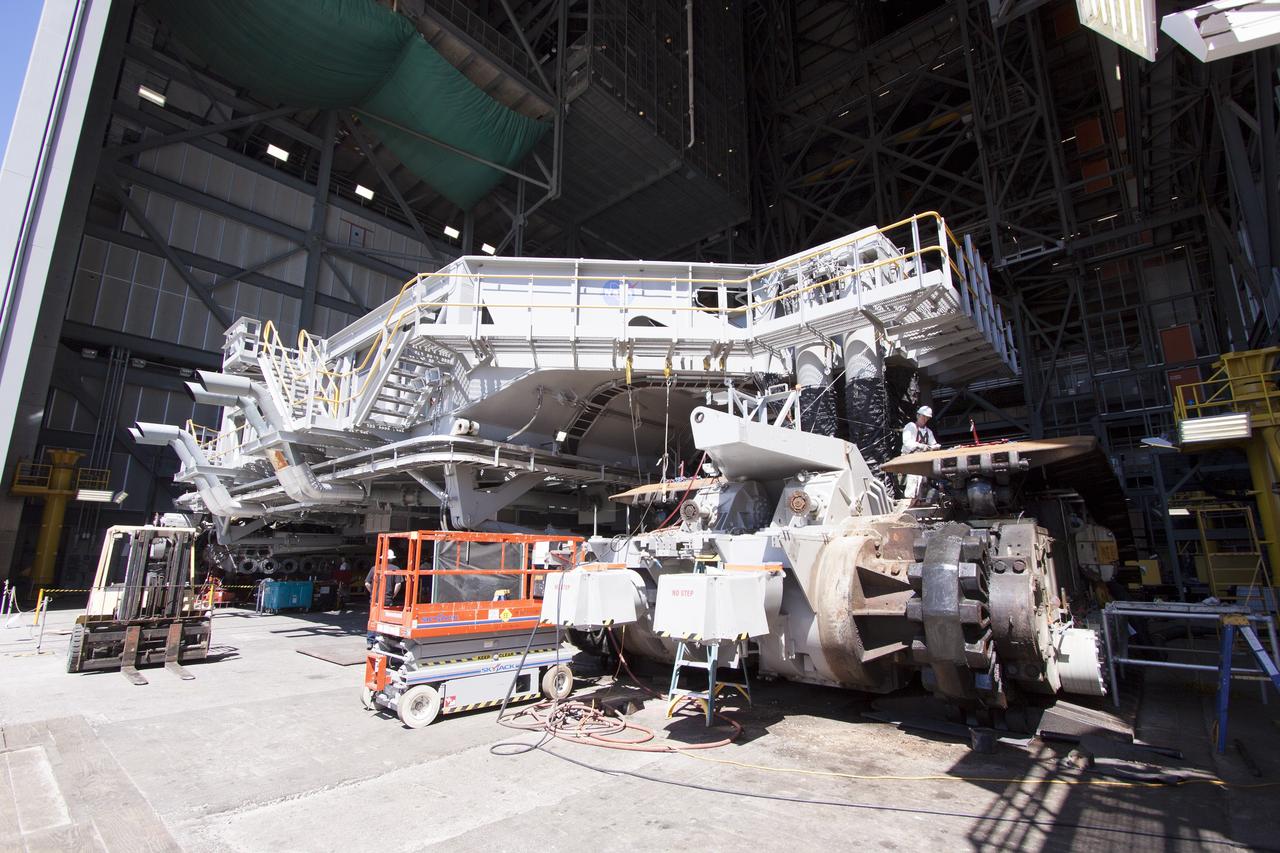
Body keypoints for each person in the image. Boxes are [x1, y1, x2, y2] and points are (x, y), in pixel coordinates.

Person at [901, 405, 941, 505]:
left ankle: (919, 501)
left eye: (927, 418)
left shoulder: (928, 431)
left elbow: (933, 444)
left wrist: (934, 447)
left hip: (921, 460)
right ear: (918, 415)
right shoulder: (911, 426)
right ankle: (909, 502)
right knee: (913, 479)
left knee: (922, 481)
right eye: (923, 417)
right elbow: (907, 443)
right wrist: (922, 446)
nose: (925, 419)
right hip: (909, 459)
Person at [365, 549, 402, 649]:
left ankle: (370, 641)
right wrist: (393, 595)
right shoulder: (395, 569)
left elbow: (367, 583)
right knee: (385, 620)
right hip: (387, 599)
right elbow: (398, 584)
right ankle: (382, 641)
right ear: (391, 559)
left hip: (374, 600)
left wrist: (373, 593)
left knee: (373, 619)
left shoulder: (374, 568)